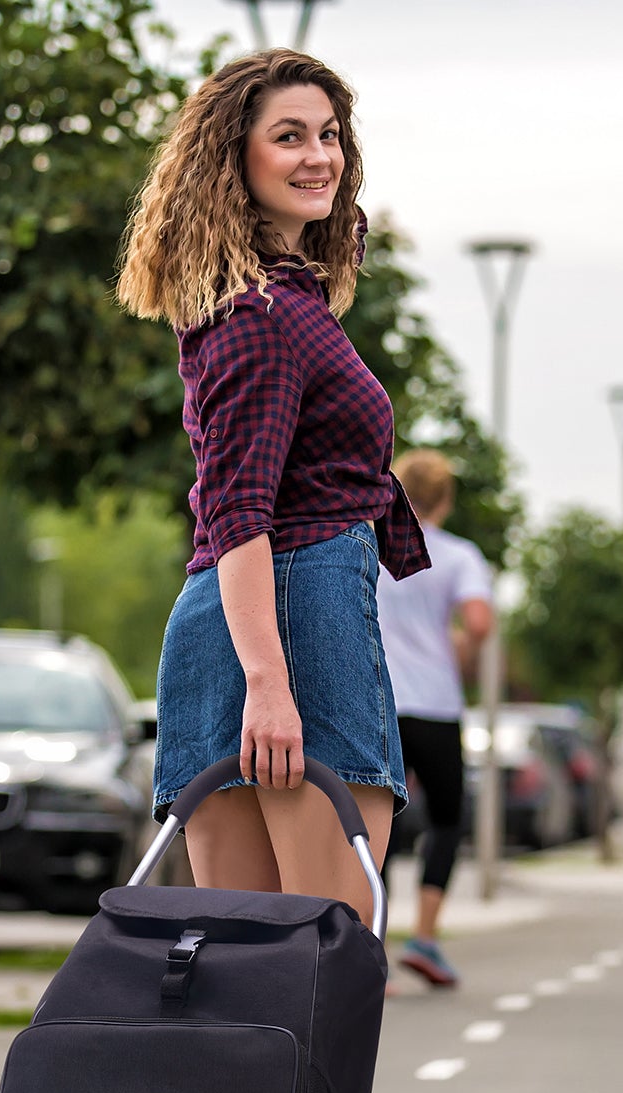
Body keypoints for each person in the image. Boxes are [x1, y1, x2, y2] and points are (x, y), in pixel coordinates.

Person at [118, 49, 429, 926]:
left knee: (240, 979)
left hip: (242, 626)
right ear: (236, 159)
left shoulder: (266, 301)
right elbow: (238, 508)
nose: (319, 156)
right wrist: (270, 681)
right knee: (327, 957)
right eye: (288, 136)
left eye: (329, 136)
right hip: (295, 626)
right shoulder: (263, 314)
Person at [374, 449, 493, 987]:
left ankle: (371, 950)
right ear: (445, 498)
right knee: (447, 819)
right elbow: (480, 621)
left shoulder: (370, 543)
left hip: (376, 699)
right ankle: (425, 936)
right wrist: (460, 651)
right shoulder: (459, 555)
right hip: (437, 706)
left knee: (376, 822)